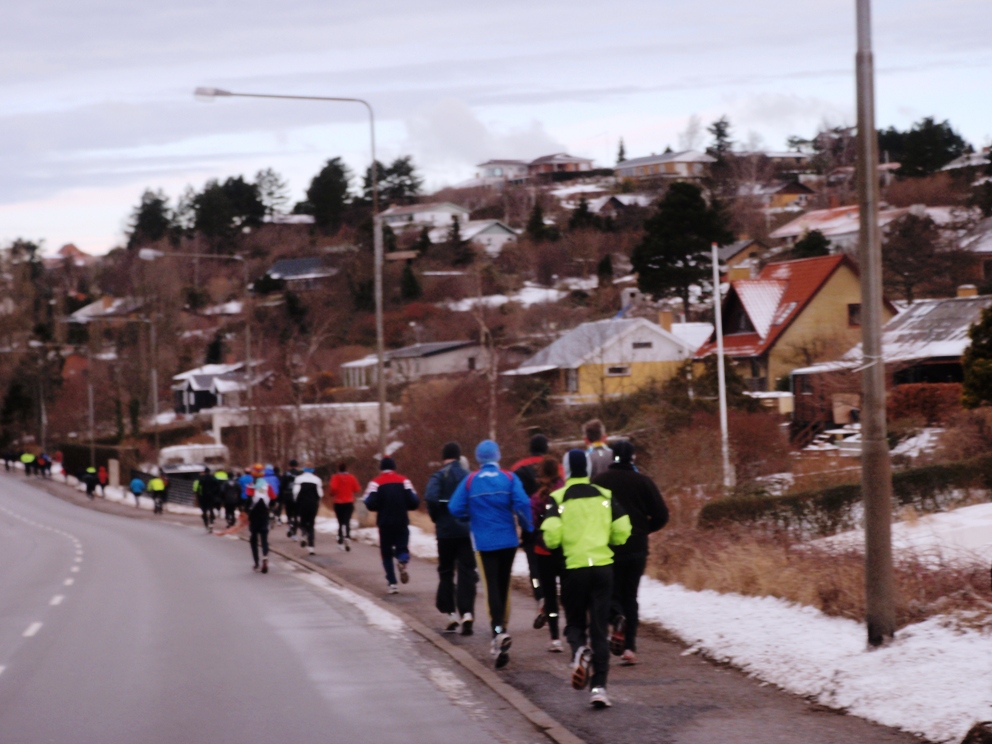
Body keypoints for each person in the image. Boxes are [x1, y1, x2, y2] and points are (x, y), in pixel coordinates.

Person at [542, 449, 631, 709]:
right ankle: (599, 688)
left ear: (566, 470)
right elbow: (623, 530)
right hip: (603, 567)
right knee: (600, 629)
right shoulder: (605, 495)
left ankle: (580, 652)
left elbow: (550, 537)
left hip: (574, 568)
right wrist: (609, 540)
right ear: (589, 469)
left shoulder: (557, 498)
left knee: (575, 624)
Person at [448, 440, 533, 670]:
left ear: (478, 458)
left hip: (484, 543)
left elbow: (454, 508)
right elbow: (523, 503)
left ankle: (498, 633)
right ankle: (501, 631)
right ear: (498, 455)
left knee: (491, 589)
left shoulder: (470, 480)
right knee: (503, 587)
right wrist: (528, 526)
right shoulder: (509, 477)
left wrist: (470, 517)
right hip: (508, 541)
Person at [592, 440, 668, 666]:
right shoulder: (644, 482)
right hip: (636, 548)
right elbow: (662, 515)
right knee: (631, 596)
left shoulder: (599, 482)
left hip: (608, 547)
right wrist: (644, 529)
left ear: (611, 457)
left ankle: (616, 618)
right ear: (633, 457)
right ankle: (629, 649)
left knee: (609, 593)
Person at [424, 442, 475, 635]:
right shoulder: (467, 476)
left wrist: (436, 517)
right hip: (465, 531)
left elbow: (430, 497)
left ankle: (451, 614)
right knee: (466, 571)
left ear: (444, 456)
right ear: (459, 455)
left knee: (446, 571)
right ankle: (468, 612)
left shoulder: (438, 476)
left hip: (445, 532)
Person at [510, 434, 558, 626]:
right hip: (556, 525)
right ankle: (553, 603)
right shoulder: (556, 467)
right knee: (555, 568)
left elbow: (514, 497)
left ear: (530, 448)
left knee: (535, 570)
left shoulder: (518, 468)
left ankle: (540, 598)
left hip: (531, 526)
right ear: (546, 449)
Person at [363, 457, 419, 595]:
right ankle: (402, 560)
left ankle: (392, 583)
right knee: (402, 547)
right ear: (394, 467)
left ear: (381, 468)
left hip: (384, 522)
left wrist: (378, 506)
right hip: (401, 521)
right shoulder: (404, 480)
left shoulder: (375, 482)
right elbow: (414, 500)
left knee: (386, 553)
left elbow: (368, 502)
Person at [531, 456, 566, 652]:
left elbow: (532, 524)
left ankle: (555, 638)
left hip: (543, 551)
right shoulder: (567, 493)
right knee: (569, 593)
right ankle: (574, 630)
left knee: (550, 595)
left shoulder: (537, 498)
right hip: (566, 550)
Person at [329, 462, 361, 551]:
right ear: (346, 469)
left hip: (338, 502)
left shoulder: (335, 477)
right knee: (347, 522)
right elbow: (357, 489)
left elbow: (333, 489)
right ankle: (347, 537)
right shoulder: (351, 477)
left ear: (338, 469)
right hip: (349, 502)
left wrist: (332, 494)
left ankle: (340, 541)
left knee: (340, 522)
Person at [293, 465, 323, 555]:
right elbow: (320, 494)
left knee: (303, 521)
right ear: (312, 470)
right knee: (311, 524)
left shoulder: (298, 479)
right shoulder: (317, 480)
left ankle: (303, 534)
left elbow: (295, 493)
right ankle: (311, 547)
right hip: (313, 504)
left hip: (302, 503)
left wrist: (296, 502)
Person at [247, 474, 271, 573]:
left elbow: (247, 499)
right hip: (264, 515)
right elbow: (273, 497)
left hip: (254, 516)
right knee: (264, 539)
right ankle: (265, 556)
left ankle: (256, 562)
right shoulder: (267, 486)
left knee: (253, 539)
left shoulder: (250, 486)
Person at [281, 460, 303, 537]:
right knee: (296, 514)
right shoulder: (300, 474)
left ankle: (290, 525)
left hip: (288, 495)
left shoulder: (285, 474)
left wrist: (281, 498)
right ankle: (294, 529)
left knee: (289, 513)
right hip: (297, 496)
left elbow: (282, 486)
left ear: (289, 466)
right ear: (297, 466)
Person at [194, 466, 219, 532]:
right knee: (211, 509)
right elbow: (218, 486)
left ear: (204, 472)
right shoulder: (213, 478)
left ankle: (206, 523)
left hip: (203, 496)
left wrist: (199, 495)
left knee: (204, 510)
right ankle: (211, 522)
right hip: (211, 496)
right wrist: (216, 494)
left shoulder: (202, 479)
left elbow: (198, 488)